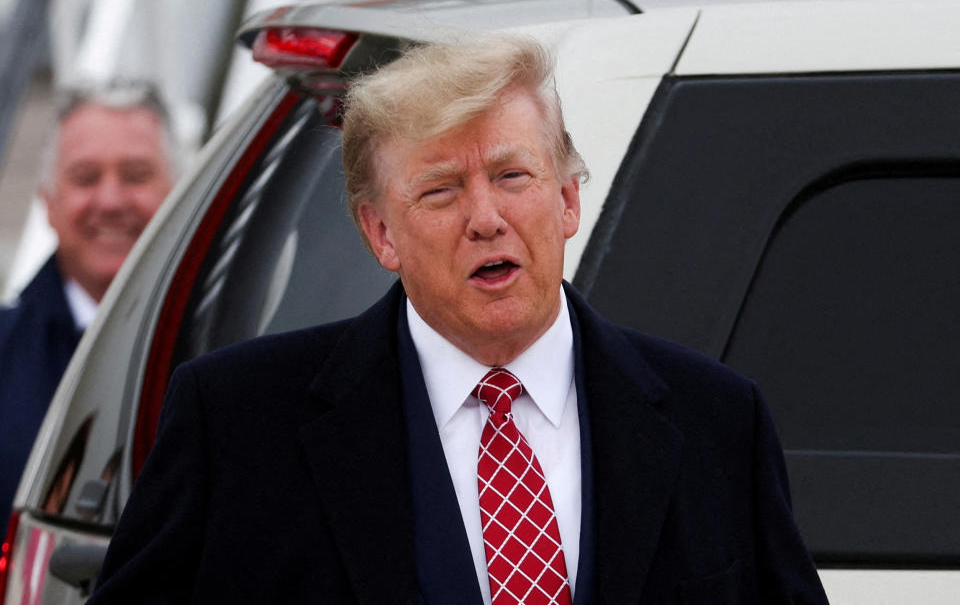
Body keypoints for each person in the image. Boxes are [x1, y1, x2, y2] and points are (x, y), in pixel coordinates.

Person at [89, 37, 828, 604]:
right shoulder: (237, 426)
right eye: (440, 191)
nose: (486, 218)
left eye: (513, 176)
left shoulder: (718, 422)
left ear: (567, 199)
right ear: (380, 233)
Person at [0, 81, 175, 542]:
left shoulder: (244, 344)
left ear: (179, 192)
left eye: (136, 175)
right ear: (48, 203)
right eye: (85, 177)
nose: (111, 201)